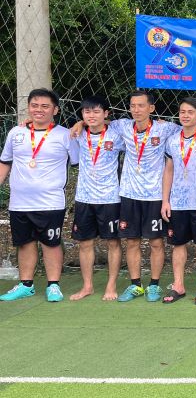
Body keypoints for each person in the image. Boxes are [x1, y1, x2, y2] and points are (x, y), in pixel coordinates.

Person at [103, 91, 189, 303]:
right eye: (133, 105)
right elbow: (96, 121)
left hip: (155, 195)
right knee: (132, 241)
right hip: (129, 194)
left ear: (151, 108)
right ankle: (135, 285)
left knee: (156, 242)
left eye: (141, 106)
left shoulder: (165, 127)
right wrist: (78, 125)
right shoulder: (121, 125)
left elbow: (191, 128)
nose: (136, 110)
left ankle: (154, 285)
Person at [0, 89, 78, 302]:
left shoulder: (65, 135)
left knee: (51, 243)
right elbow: (5, 162)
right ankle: (26, 284)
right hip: (19, 202)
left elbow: (79, 163)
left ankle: (53, 285)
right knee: (24, 243)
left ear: (55, 110)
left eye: (45, 106)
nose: (39, 110)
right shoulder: (16, 133)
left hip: (50, 201)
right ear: (29, 108)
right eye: (35, 105)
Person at [160, 98, 196, 304]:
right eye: (182, 112)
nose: (186, 115)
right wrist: (165, 201)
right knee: (178, 244)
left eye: (191, 112)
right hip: (177, 203)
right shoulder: (172, 140)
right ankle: (178, 285)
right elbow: (168, 171)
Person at [69, 96, 125, 301]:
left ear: (106, 114)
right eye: (86, 112)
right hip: (84, 198)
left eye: (96, 111)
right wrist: (79, 124)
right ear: (82, 115)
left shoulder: (117, 136)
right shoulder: (77, 134)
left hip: (110, 198)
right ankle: (87, 286)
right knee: (84, 243)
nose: (91, 116)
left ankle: (111, 285)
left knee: (113, 242)